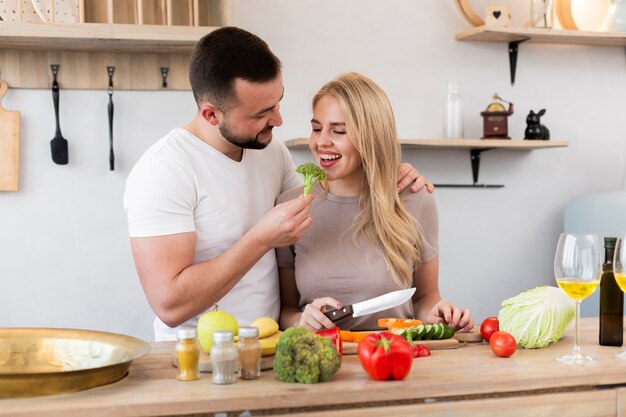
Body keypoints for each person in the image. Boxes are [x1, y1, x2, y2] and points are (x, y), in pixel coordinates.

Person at [124, 27, 430, 341]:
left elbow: (326, 199)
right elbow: (170, 307)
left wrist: (385, 170)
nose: (278, 120)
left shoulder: (269, 150)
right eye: (262, 112)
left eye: (277, 102)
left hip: (273, 348)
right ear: (211, 114)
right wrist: (259, 239)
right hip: (199, 357)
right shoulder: (163, 171)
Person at [277, 73, 473, 332]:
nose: (321, 141)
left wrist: (440, 313)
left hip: (395, 357)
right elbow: (285, 310)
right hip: (320, 358)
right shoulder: (292, 206)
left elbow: (425, 298)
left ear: (371, 136)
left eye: (338, 131)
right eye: (316, 128)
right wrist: (301, 320)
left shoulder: (415, 198)